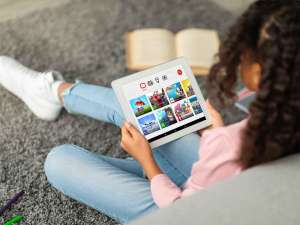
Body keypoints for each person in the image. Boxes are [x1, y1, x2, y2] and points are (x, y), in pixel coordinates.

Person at [0, 0, 300, 223]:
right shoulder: (265, 131)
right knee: (138, 109)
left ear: (259, 73)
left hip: (186, 211)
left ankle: (57, 95)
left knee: (59, 160)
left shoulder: (231, 145)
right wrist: (218, 135)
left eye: (244, 55)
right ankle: (54, 92)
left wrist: (149, 163)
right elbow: (234, 167)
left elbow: (184, 211)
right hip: (222, 184)